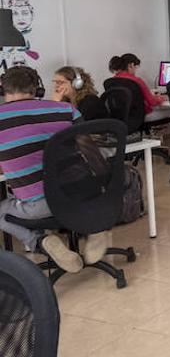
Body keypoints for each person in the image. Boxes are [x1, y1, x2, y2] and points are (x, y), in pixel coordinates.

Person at [0, 66, 103, 273]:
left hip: (41, 206)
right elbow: (91, 152)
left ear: (2, 89)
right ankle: (96, 228)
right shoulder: (67, 110)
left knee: (2, 211)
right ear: (38, 88)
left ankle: (40, 241)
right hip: (83, 193)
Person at [109, 53, 167, 120]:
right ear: (131, 65)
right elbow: (152, 102)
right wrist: (163, 98)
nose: (135, 70)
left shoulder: (112, 80)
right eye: (136, 67)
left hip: (120, 118)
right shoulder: (136, 80)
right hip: (138, 118)